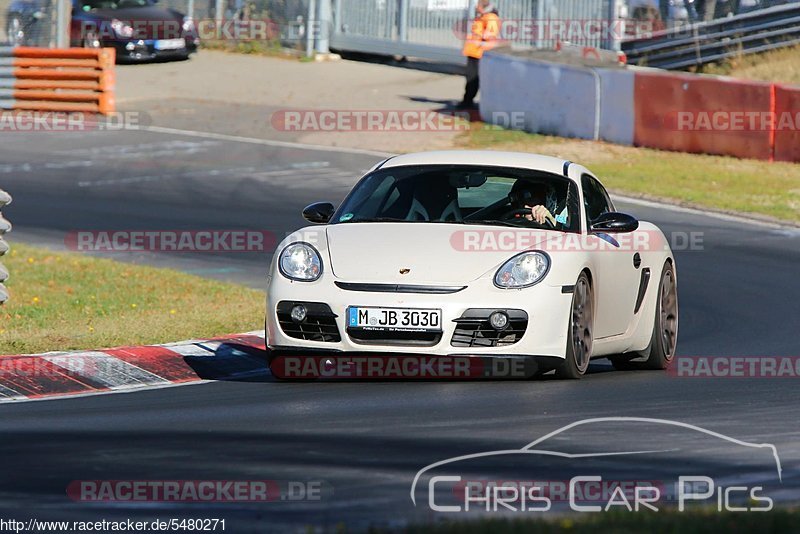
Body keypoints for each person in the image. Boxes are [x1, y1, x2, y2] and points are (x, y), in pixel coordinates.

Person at [457, 1, 501, 110]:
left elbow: (490, 35)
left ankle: (468, 102)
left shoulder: (490, 18)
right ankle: (468, 101)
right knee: (472, 78)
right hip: (475, 53)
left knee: (474, 78)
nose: (475, 7)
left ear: (483, 7)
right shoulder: (483, 17)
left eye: (478, 5)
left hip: (480, 53)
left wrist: (478, 37)